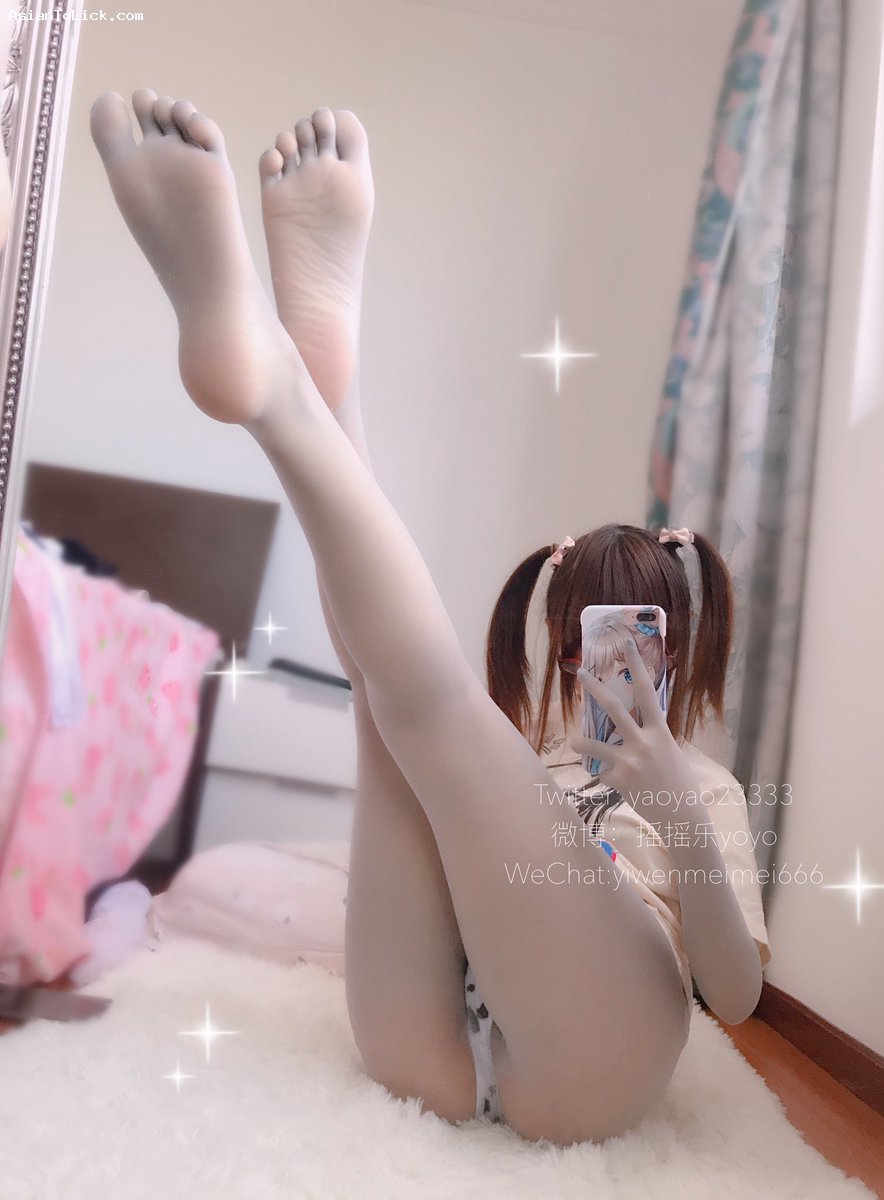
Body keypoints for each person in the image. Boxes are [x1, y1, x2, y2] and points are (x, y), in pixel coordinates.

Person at [88, 90, 767, 1146]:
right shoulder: (531, 767)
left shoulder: (707, 787)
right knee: (391, 707)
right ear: (564, 645)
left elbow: (734, 996)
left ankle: (294, 394)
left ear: (681, 648)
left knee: (423, 705)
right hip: (430, 1036)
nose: (614, 664)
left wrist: (677, 811)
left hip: (597, 1061)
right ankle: (317, 381)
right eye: (589, 638)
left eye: (638, 638)